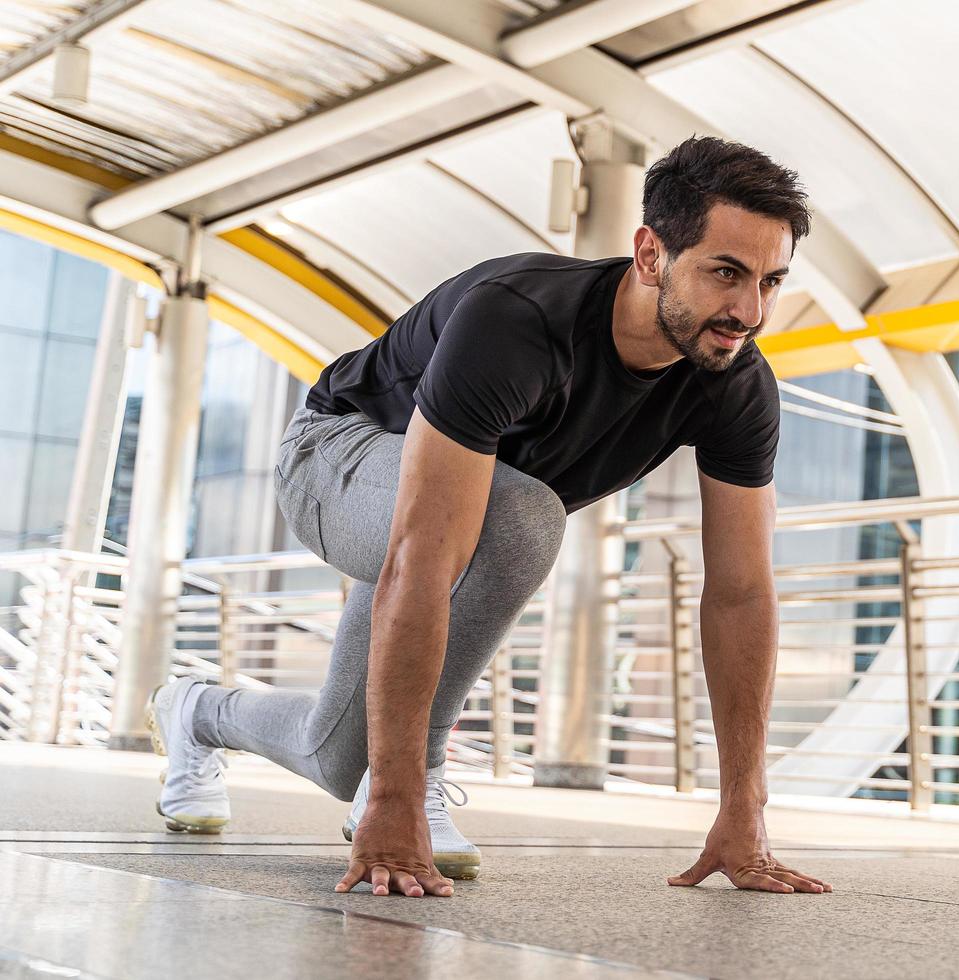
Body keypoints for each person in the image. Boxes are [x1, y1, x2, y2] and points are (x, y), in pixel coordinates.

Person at [145, 135, 833, 900]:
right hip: (337, 457)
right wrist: (399, 801)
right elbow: (423, 560)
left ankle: (197, 712)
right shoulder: (517, 322)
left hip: (470, 518)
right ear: (650, 254)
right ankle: (420, 775)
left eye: (771, 281)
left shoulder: (735, 384)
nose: (750, 311)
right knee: (522, 521)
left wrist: (746, 809)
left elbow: (740, 594)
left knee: (340, 757)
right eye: (726, 274)